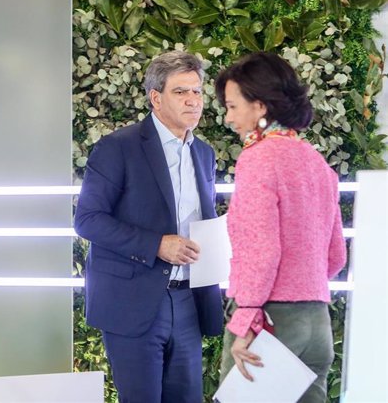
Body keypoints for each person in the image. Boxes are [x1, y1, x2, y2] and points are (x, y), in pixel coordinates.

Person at [75, 50, 224, 403]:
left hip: (188, 299)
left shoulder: (204, 153)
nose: (193, 101)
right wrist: (156, 243)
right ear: (156, 98)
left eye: (198, 92)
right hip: (134, 302)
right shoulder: (118, 148)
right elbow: (87, 220)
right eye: (181, 92)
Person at [215, 52, 347, 402]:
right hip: (317, 324)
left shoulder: (258, 160)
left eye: (232, 106)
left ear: (259, 106)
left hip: (270, 323)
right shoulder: (318, 163)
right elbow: (335, 256)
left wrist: (245, 320)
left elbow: (262, 250)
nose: (229, 118)